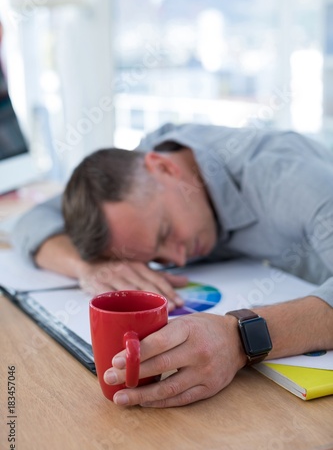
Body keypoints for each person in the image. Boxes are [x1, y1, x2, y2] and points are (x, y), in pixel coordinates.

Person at [12, 123, 333, 407]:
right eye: (157, 258)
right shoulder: (130, 174)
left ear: (163, 168)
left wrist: (238, 339)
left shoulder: (288, 177)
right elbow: (31, 220)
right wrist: (88, 267)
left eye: (165, 232)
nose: (178, 260)